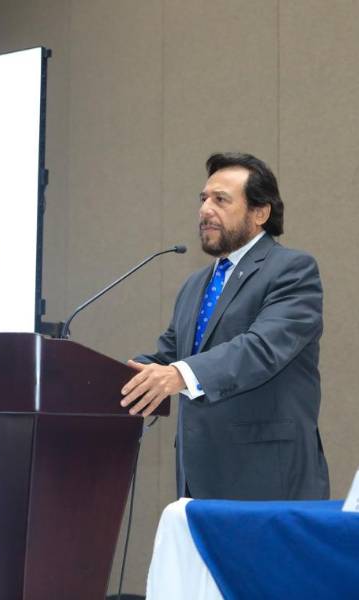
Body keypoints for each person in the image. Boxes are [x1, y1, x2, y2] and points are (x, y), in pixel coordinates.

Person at [120, 152, 329, 500]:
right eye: (203, 199)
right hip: (198, 481)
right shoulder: (194, 286)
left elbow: (261, 348)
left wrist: (179, 375)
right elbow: (168, 357)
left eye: (220, 200)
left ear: (260, 213)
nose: (205, 210)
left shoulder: (292, 270)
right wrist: (105, 379)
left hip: (267, 481)